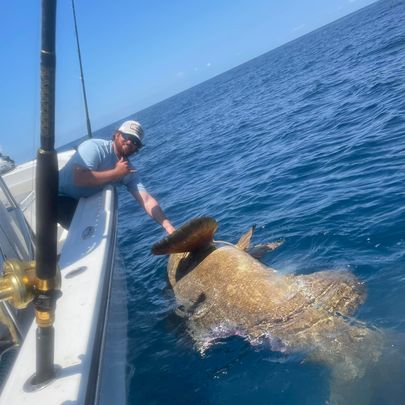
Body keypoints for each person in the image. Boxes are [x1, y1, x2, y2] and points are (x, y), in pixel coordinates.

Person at [57, 120, 175, 234]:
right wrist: (116, 173)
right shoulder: (94, 147)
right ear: (117, 135)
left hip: (82, 201)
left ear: (137, 148)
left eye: (135, 142)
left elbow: (146, 200)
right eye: (127, 136)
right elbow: (79, 178)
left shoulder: (128, 170)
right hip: (57, 194)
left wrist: (168, 226)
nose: (129, 142)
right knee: (82, 231)